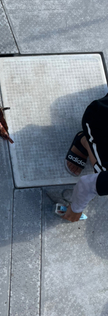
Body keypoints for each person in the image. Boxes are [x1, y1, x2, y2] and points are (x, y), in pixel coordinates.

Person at [63, 93, 108, 222]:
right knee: (103, 172)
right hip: (99, 116)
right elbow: (87, 185)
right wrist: (75, 210)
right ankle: (84, 141)